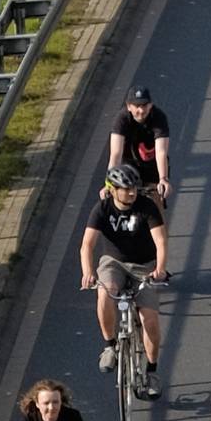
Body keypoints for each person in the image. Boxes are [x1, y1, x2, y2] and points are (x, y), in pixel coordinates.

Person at [82, 165, 169, 395]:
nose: (132, 193)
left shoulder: (147, 207)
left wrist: (159, 269)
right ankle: (110, 346)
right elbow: (87, 245)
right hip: (114, 262)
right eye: (126, 189)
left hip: (144, 266)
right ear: (112, 190)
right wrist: (88, 271)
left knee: (149, 318)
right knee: (105, 291)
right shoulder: (101, 209)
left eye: (133, 188)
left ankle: (151, 371)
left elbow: (160, 241)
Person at [108, 87, 176, 204]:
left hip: (152, 165)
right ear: (129, 106)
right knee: (121, 202)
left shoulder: (159, 117)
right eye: (136, 106)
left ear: (151, 105)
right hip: (129, 165)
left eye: (144, 105)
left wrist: (163, 179)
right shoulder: (121, 119)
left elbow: (161, 152)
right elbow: (116, 153)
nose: (141, 110)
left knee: (155, 203)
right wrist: (109, 183)